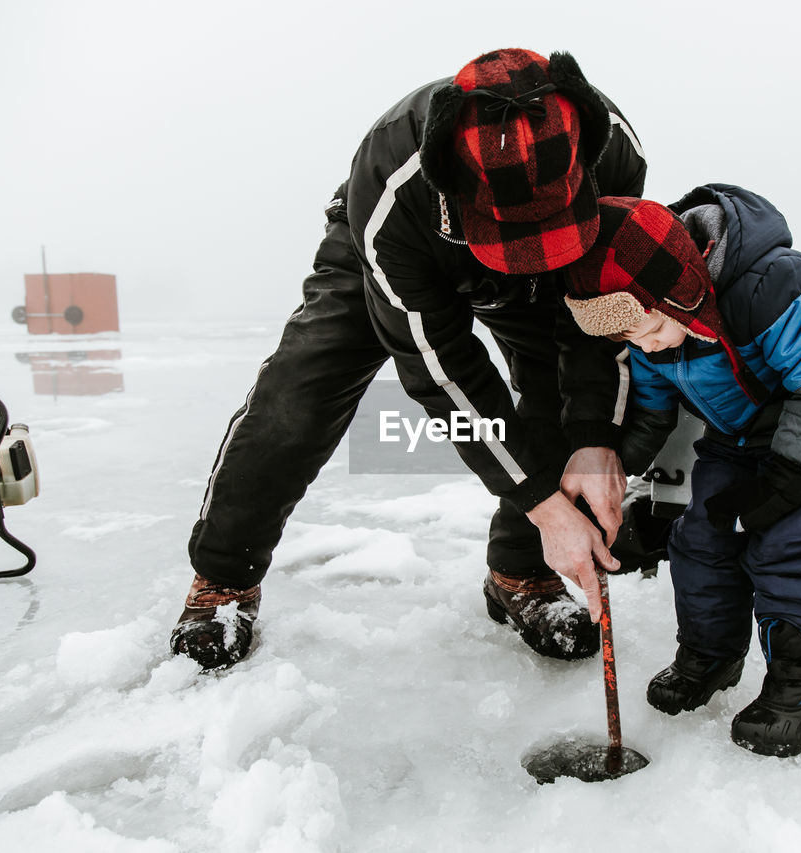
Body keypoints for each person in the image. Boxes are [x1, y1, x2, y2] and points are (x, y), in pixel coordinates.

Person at [171, 48, 648, 670]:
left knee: (561, 395)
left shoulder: (611, 148)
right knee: (297, 399)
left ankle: (520, 571)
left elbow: (593, 313)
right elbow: (440, 370)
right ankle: (224, 580)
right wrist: (541, 498)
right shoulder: (393, 189)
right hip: (406, 252)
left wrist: (593, 437)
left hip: (565, 253)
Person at [562, 186, 801, 757]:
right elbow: (651, 414)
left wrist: (794, 473)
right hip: (737, 439)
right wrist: (612, 467)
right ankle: (710, 656)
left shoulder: (775, 284)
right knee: (700, 541)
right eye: (628, 337)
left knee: (790, 546)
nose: (643, 344)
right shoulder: (654, 331)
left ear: (679, 288)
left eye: (646, 328)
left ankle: (799, 685)